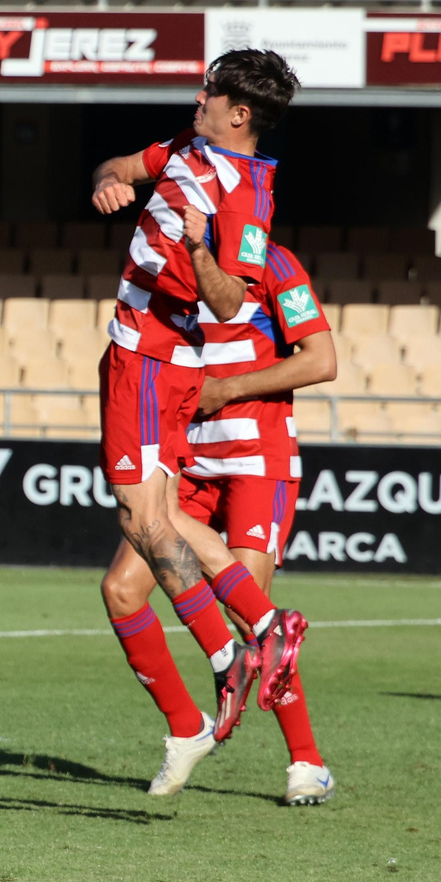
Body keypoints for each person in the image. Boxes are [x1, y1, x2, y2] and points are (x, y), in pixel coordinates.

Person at [88, 49, 305, 795]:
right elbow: (120, 164)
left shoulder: (248, 198)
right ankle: (252, 641)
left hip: (154, 359)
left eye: (209, 93)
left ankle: (229, 656)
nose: (198, 98)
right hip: (139, 353)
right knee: (161, 523)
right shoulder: (187, 144)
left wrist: (196, 246)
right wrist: (111, 182)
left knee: (144, 519)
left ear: (239, 112)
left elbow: (230, 301)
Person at [103, 244, 338, 805]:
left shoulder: (274, 264)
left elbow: (321, 361)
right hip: (185, 460)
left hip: (257, 460)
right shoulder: (175, 261)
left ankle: (307, 762)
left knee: (248, 613)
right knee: (121, 590)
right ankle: (187, 727)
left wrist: (227, 389)